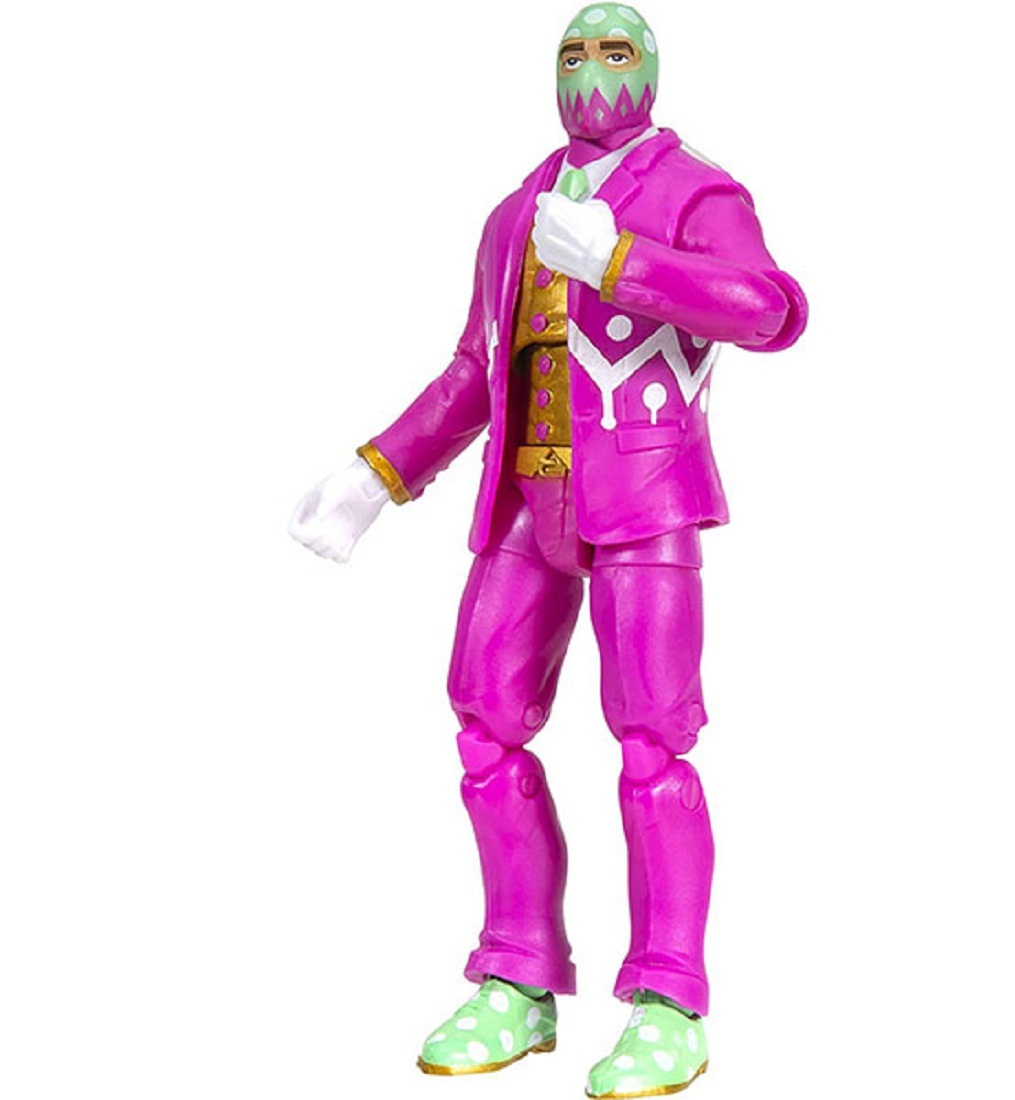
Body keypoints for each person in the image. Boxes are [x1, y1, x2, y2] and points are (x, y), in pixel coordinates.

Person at [289, 5, 807, 1096]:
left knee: (653, 742)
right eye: (572, 52)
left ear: (651, 69)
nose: (590, 71)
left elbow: (769, 309)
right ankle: (518, 972)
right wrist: (374, 476)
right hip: (527, 498)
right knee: (484, 722)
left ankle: (670, 998)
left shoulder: (694, 191)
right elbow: (474, 371)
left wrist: (621, 261)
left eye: (614, 51)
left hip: (645, 496)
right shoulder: (513, 211)